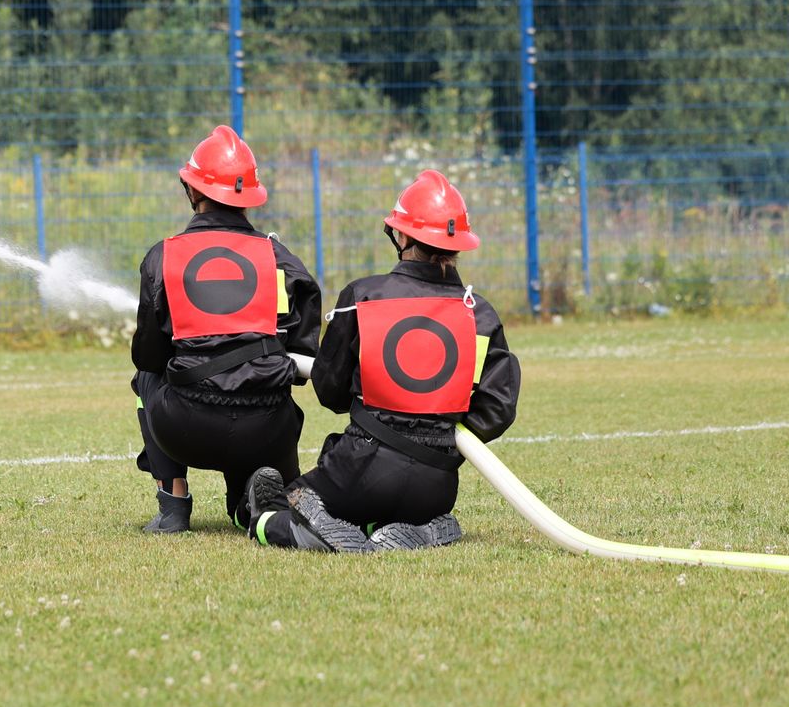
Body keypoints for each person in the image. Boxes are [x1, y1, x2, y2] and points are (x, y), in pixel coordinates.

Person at [243, 169, 519, 551]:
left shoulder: (363, 297)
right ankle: (421, 531)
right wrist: (439, 429)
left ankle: (298, 528)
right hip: (435, 485)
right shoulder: (481, 314)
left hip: (360, 470)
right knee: (407, 510)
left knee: (276, 507)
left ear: (402, 235)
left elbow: (331, 392)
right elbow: (498, 411)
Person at [130, 126, 321, 534]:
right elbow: (304, 353)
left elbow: (148, 355)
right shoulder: (281, 260)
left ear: (192, 191)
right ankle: (251, 503)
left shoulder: (164, 257)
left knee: (147, 375)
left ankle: (173, 504)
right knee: (265, 390)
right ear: (249, 197)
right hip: (268, 430)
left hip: (186, 428)